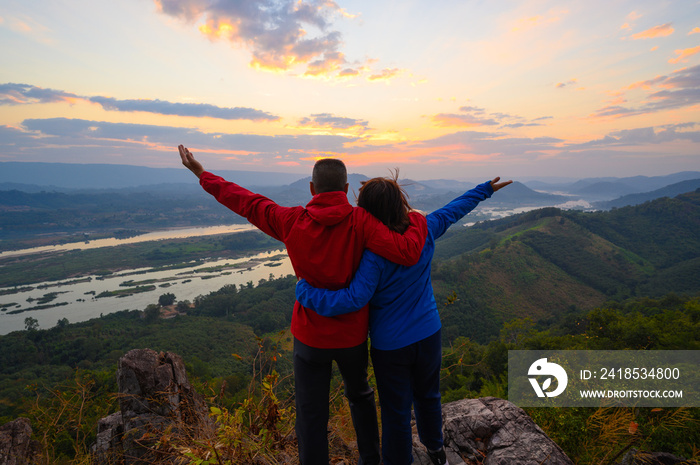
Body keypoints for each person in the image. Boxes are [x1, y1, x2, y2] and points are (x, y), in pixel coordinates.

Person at [177, 145, 429, 465]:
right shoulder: (362, 221)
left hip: (309, 336)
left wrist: (203, 174)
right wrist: (419, 220)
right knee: (361, 397)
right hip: (351, 336)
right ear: (347, 189)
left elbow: (247, 202)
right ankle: (370, 459)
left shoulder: (290, 220)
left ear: (312, 188)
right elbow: (406, 252)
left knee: (311, 413)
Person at [296, 174, 512, 465]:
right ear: (400, 202)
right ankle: (437, 453)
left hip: (391, 346)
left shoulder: (373, 254)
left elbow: (352, 299)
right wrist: (484, 190)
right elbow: (452, 211)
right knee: (429, 396)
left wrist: (306, 292)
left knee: (396, 412)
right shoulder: (423, 229)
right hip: (428, 332)